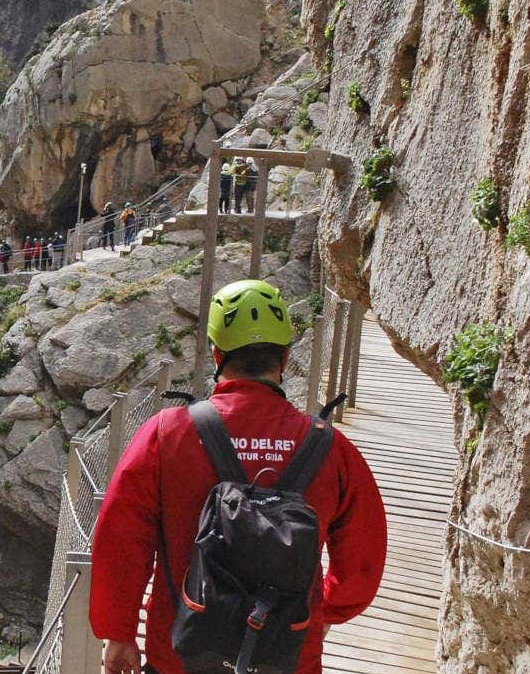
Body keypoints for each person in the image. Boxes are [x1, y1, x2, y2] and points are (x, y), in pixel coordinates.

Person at [90, 279, 387, 674]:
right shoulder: (331, 449)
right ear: (284, 358)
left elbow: (120, 541)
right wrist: (319, 610)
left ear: (216, 354)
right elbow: (363, 559)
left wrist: (120, 631)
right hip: (288, 653)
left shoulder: (168, 434)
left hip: (181, 651)